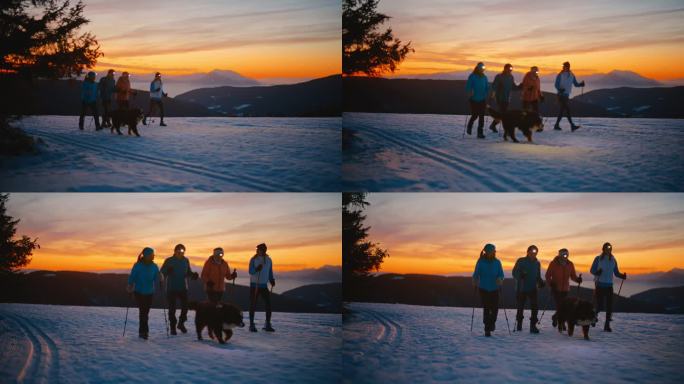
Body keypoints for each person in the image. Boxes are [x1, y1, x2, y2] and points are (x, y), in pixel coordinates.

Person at [160, 244, 198, 335]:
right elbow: (161, 274)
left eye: (183, 251)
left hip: (183, 288)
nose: (181, 253)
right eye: (180, 251)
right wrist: (166, 273)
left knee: (185, 308)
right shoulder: (169, 261)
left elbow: (188, 272)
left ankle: (181, 323)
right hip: (171, 288)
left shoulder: (185, 260)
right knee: (172, 309)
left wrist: (193, 275)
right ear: (175, 251)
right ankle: (173, 327)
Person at [590, 242, 626, 332]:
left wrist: (622, 276)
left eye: (610, 248)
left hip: (609, 285)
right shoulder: (598, 259)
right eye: (607, 248)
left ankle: (607, 325)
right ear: (603, 249)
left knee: (609, 306)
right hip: (599, 284)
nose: (608, 250)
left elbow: (616, 273)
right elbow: (592, 270)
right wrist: (597, 272)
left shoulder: (613, 260)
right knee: (600, 306)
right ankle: (593, 317)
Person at [126, 247, 160, 340]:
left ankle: (143, 332)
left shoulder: (154, 266)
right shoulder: (138, 265)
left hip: (150, 292)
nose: (153, 256)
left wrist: (161, 277)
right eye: (151, 254)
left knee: (145, 312)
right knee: (143, 312)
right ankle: (144, 332)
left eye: (153, 254)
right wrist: (130, 285)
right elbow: (132, 276)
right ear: (146, 255)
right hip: (139, 292)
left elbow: (157, 277)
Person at [472, 243, 504, 337]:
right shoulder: (481, 262)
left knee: (495, 308)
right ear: (487, 252)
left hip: (494, 288)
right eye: (493, 251)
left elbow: (501, 274)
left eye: (494, 251)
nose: (494, 252)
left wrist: (500, 279)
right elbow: (476, 273)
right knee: (486, 308)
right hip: (483, 288)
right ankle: (487, 328)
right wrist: (475, 280)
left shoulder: (497, 262)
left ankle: (492, 322)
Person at [545, 248, 581, 329]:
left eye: (567, 254)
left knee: (563, 307)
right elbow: (547, 275)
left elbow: (573, 276)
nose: (566, 256)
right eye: (564, 254)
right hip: (555, 289)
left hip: (565, 289)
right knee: (560, 306)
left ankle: (556, 318)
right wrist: (551, 283)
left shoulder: (570, 264)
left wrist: (577, 279)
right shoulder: (553, 263)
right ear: (560, 255)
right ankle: (561, 324)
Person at [512, 245, 545, 333]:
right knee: (520, 307)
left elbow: (538, 276)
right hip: (521, 288)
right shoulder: (521, 261)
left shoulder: (537, 263)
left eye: (535, 252)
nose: (533, 254)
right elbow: (514, 272)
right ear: (528, 252)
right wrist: (520, 275)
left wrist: (541, 282)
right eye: (532, 252)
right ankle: (519, 325)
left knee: (535, 307)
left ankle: (533, 326)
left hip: (533, 288)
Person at [248, 243, 276, 332]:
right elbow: (250, 271)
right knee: (253, 304)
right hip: (254, 285)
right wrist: (256, 269)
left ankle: (267, 324)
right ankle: (251, 324)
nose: (257, 250)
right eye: (257, 249)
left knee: (268, 304)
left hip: (264, 285)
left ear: (263, 250)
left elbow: (270, 271)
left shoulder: (269, 260)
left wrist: (271, 279)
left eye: (258, 249)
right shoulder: (253, 259)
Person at [554, 61, 585, 131]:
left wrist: (581, 84)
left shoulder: (572, 75)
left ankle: (556, 125)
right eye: (563, 66)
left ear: (568, 67)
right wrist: (559, 89)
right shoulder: (560, 75)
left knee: (562, 111)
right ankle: (572, 125)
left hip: (566, 95)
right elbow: (556, 84)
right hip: (560, 95)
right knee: (567, 110)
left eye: (565, 66)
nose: (564, 67)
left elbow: (576, 84)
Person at [489, 63, 519, 132]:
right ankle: (506, 129)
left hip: (507, 98)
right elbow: (494, 86)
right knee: (504, 114)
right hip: (500, 98)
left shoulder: (511, 77)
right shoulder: (499, 76)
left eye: (511, 69)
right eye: (509, 69)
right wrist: (493, 95)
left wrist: (521, 86)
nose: (510, 70)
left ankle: (493, 125)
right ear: (505, 68)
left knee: (501, 113)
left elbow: (513, 87)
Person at [465, 62, 489, 139]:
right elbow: (468, 86)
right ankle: (469, 126)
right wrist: (469, 93)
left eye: (483, 68)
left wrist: (486, 94)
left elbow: (487, 87)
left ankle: (480, 133)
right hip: (474, 99)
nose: (482, 70)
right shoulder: (472, 76)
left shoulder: (484, 77)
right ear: (478, 68)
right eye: (481, 68)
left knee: (481, 116)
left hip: (482, 99)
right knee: (475, 115)